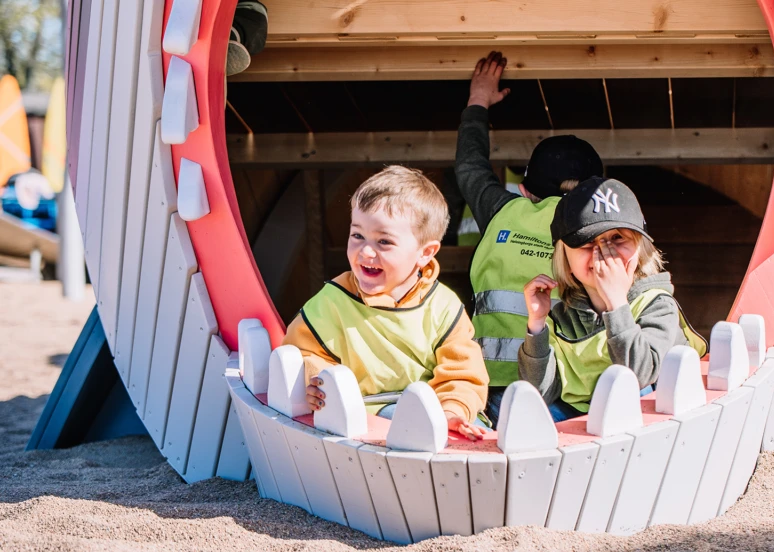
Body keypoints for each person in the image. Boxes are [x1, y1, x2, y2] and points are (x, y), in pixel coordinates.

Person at [288, 166, 489, 440]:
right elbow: (302, 352)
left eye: (384, 241)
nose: (366, 251)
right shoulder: (332, 301)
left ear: (425, 253)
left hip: (437, 411)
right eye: (357, 235)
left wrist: (452, 411)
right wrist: (317, 380)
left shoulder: (443, 307)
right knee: (404, 421)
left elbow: (463, 374)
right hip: (366, 416)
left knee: (482, 435)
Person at [457, 51, 604, 422]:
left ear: (524, 190)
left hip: (489, 385)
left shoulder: (504, 209)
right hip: (569, 390)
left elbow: (470, 167)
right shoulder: (603, 228)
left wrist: (479, 100)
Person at [519, 177, 707, 422]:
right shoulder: (562, 318)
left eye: (617, 238)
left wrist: (617, 303)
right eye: (588, 243)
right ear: (565, 258)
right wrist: (537, 324)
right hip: (583, 425)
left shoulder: (656, 304)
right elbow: (539, 393)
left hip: (650, 424)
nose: (603, 253)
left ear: (640, 249)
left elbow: (640, 375)